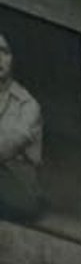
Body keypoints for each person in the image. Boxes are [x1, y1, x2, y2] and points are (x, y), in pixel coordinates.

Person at [0, 34, 45, 224]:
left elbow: (6, 147)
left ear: (14, 59)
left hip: (19, 192)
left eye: (4, 52)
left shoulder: (28, 105)